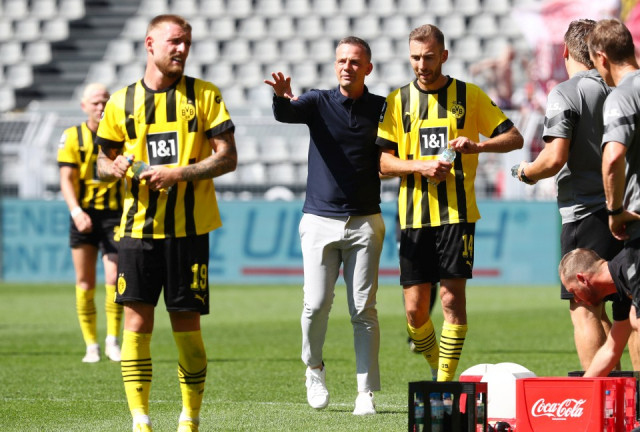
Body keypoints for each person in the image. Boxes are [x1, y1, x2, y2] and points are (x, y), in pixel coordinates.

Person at [94, 14, 237, 432]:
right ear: (150, 44)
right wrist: (113, 167)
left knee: (187, 330)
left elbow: (228, 157)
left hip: (188, 233)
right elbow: (102, 160)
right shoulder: (121, 102)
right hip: (137, 232)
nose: (181, 49)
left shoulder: (204, 94)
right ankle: (140, 421)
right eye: (174, 41)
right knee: (136, 325)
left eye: (186, 42)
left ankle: (189, 420)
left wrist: (178, 174)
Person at [376, 24, 523, 382]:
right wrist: (420, 166)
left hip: (457, 214)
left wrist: (479, 146)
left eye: (428, 57)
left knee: (452, 300)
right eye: (415, 57)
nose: (421, 65)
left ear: (443, 55)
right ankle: (435, 367)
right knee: (415, 313)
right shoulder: (397, 101)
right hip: (413, 216)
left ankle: (443, 384)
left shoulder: (469, 95)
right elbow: (382, 164)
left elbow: (514, 137)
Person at [264, 36, 385, 415]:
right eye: (342, 60)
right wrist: (281, 97)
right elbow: (286, 114)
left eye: (355, 61)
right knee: (315, 305)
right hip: (318, 220)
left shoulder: (382, 108)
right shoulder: (318, 101)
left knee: (364, 309)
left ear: (368, 68)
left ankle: (365, 392)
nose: (347, 66)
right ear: (335, 65)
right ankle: (314, 368)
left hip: (365, 221)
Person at [513, 19, 640, 372]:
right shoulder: (622, 86)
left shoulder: (566, 92)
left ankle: (600, 397)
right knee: (631, 308)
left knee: (584, 307)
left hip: (585, 212)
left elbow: (554, 158)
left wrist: (525, 171)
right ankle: (632, 396)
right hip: (626, 209)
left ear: (566, 51)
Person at [57, 82, 124, 364]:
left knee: (114, 277)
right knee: (85, 282)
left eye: (105, 101)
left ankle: (112, 340)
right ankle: (91, 345)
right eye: (95, 102)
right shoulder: (72, 136)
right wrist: (76, 211)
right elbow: (66, 179)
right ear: (84, 106)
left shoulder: (121, 134)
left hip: (114, 215)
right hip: (83, 214)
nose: (101, 106)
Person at [559, 245, 640, 377]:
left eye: (573, 292)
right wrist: (587, 386)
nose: (576, 300)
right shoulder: (622, 293)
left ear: (582, 279)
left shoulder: (632, 266)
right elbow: (611, 350)